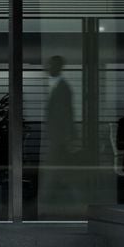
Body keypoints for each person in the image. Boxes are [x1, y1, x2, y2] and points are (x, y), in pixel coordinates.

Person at [36, 55, 84, 219]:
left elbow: (68, 114)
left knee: (52, 173)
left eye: (51, 64)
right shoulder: (56, 85)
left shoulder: (63, 88)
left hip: (59, 140)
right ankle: (78, 205)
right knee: (64, 174)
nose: (47, 67)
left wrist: (70, 138)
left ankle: (43, 207)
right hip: (58, 139)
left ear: (58, 67)